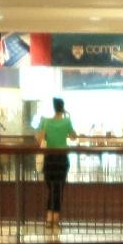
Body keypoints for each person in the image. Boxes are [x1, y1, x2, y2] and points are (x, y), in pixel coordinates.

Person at [39, 97, 75, 232]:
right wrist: (68, 117)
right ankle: (55, 219)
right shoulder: (67, 121)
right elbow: (73, 136)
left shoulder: (45, 122)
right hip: (62, 159)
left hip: (49, 159)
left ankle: (49, 218)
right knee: (58, 189)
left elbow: (39, 138)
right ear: (62, 108)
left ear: (54, 108)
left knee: (52, 188)